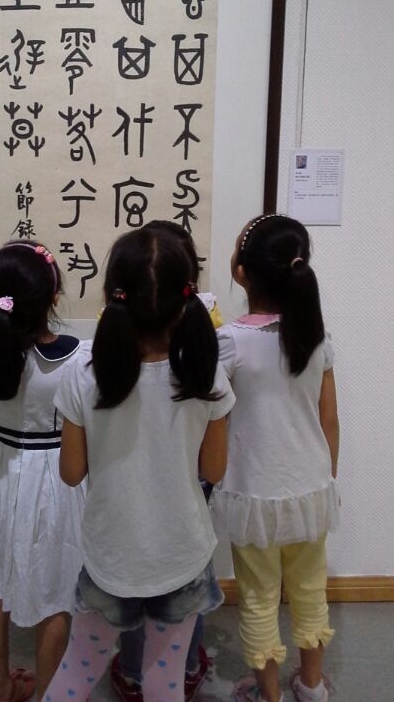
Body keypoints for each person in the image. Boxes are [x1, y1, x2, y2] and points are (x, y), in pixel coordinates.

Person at [40, 226, 235, 702]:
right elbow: (214, 472)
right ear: (187, 299)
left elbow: (71, 473)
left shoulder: (83, 375)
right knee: (164, 681)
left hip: (111, 556)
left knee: (77, 671)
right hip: (182, 554)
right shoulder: (205, 373)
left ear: (113, 295)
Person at [209, 215, 340, 702]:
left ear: (241, 273)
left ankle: (269, 695)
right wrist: (326, 478)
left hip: (253, 492)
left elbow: (212, 417)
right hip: (310, 489)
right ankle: (311, 686)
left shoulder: (229, 342)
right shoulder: (316, 338)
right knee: (310, 589)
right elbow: (330, 419)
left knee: (259, 596)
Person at [0, 241, 86, 702]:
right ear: (54, 296)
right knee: (56, 594)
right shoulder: (77, 357)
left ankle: (1, 688)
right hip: (56, 477)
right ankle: (48, 693)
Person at [110, 219, 223, 702]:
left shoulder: (95, 363)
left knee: (137, 581)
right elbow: (213, 469)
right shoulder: (207, 348)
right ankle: (180, 666)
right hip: (186, 483)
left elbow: (73, 470)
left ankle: (135, 671)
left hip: (129, 497)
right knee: (181, 581)